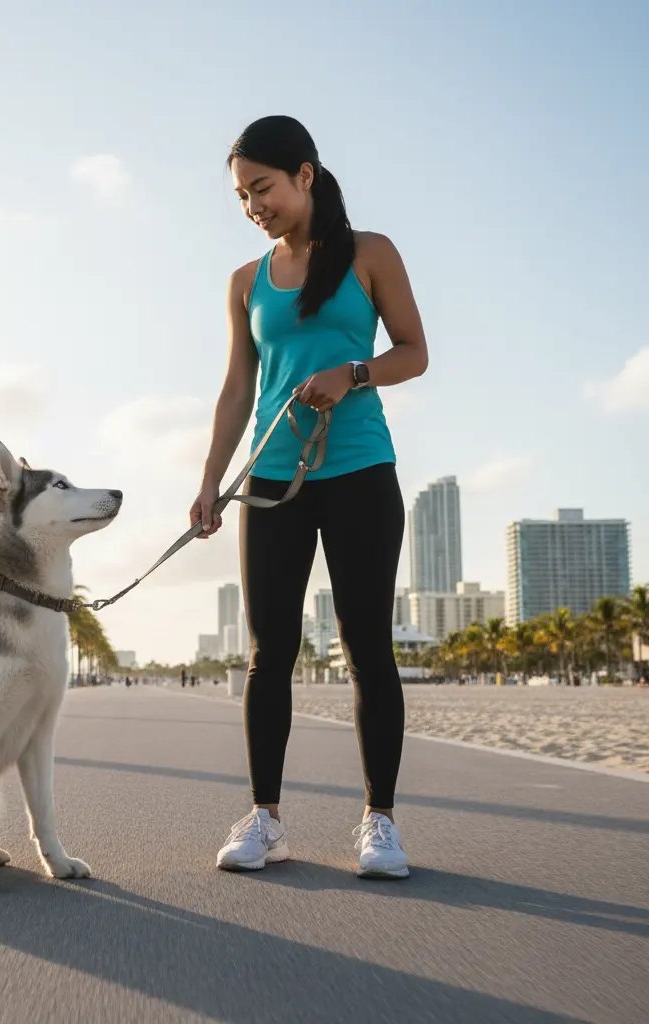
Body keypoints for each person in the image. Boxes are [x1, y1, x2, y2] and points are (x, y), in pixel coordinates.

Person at [191, 115, 428, 878]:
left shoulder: (371, 254)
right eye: (240, 196)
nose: (252, 205)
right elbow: (236, 391)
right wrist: (208, 485)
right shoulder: (244, 282)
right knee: (270, 654)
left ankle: (380, 823)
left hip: (359, 472)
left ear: (305, 174)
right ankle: (265, 818)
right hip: (270, 481)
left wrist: (352, 374)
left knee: (367, 650)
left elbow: (414, 352)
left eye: (261, 187)